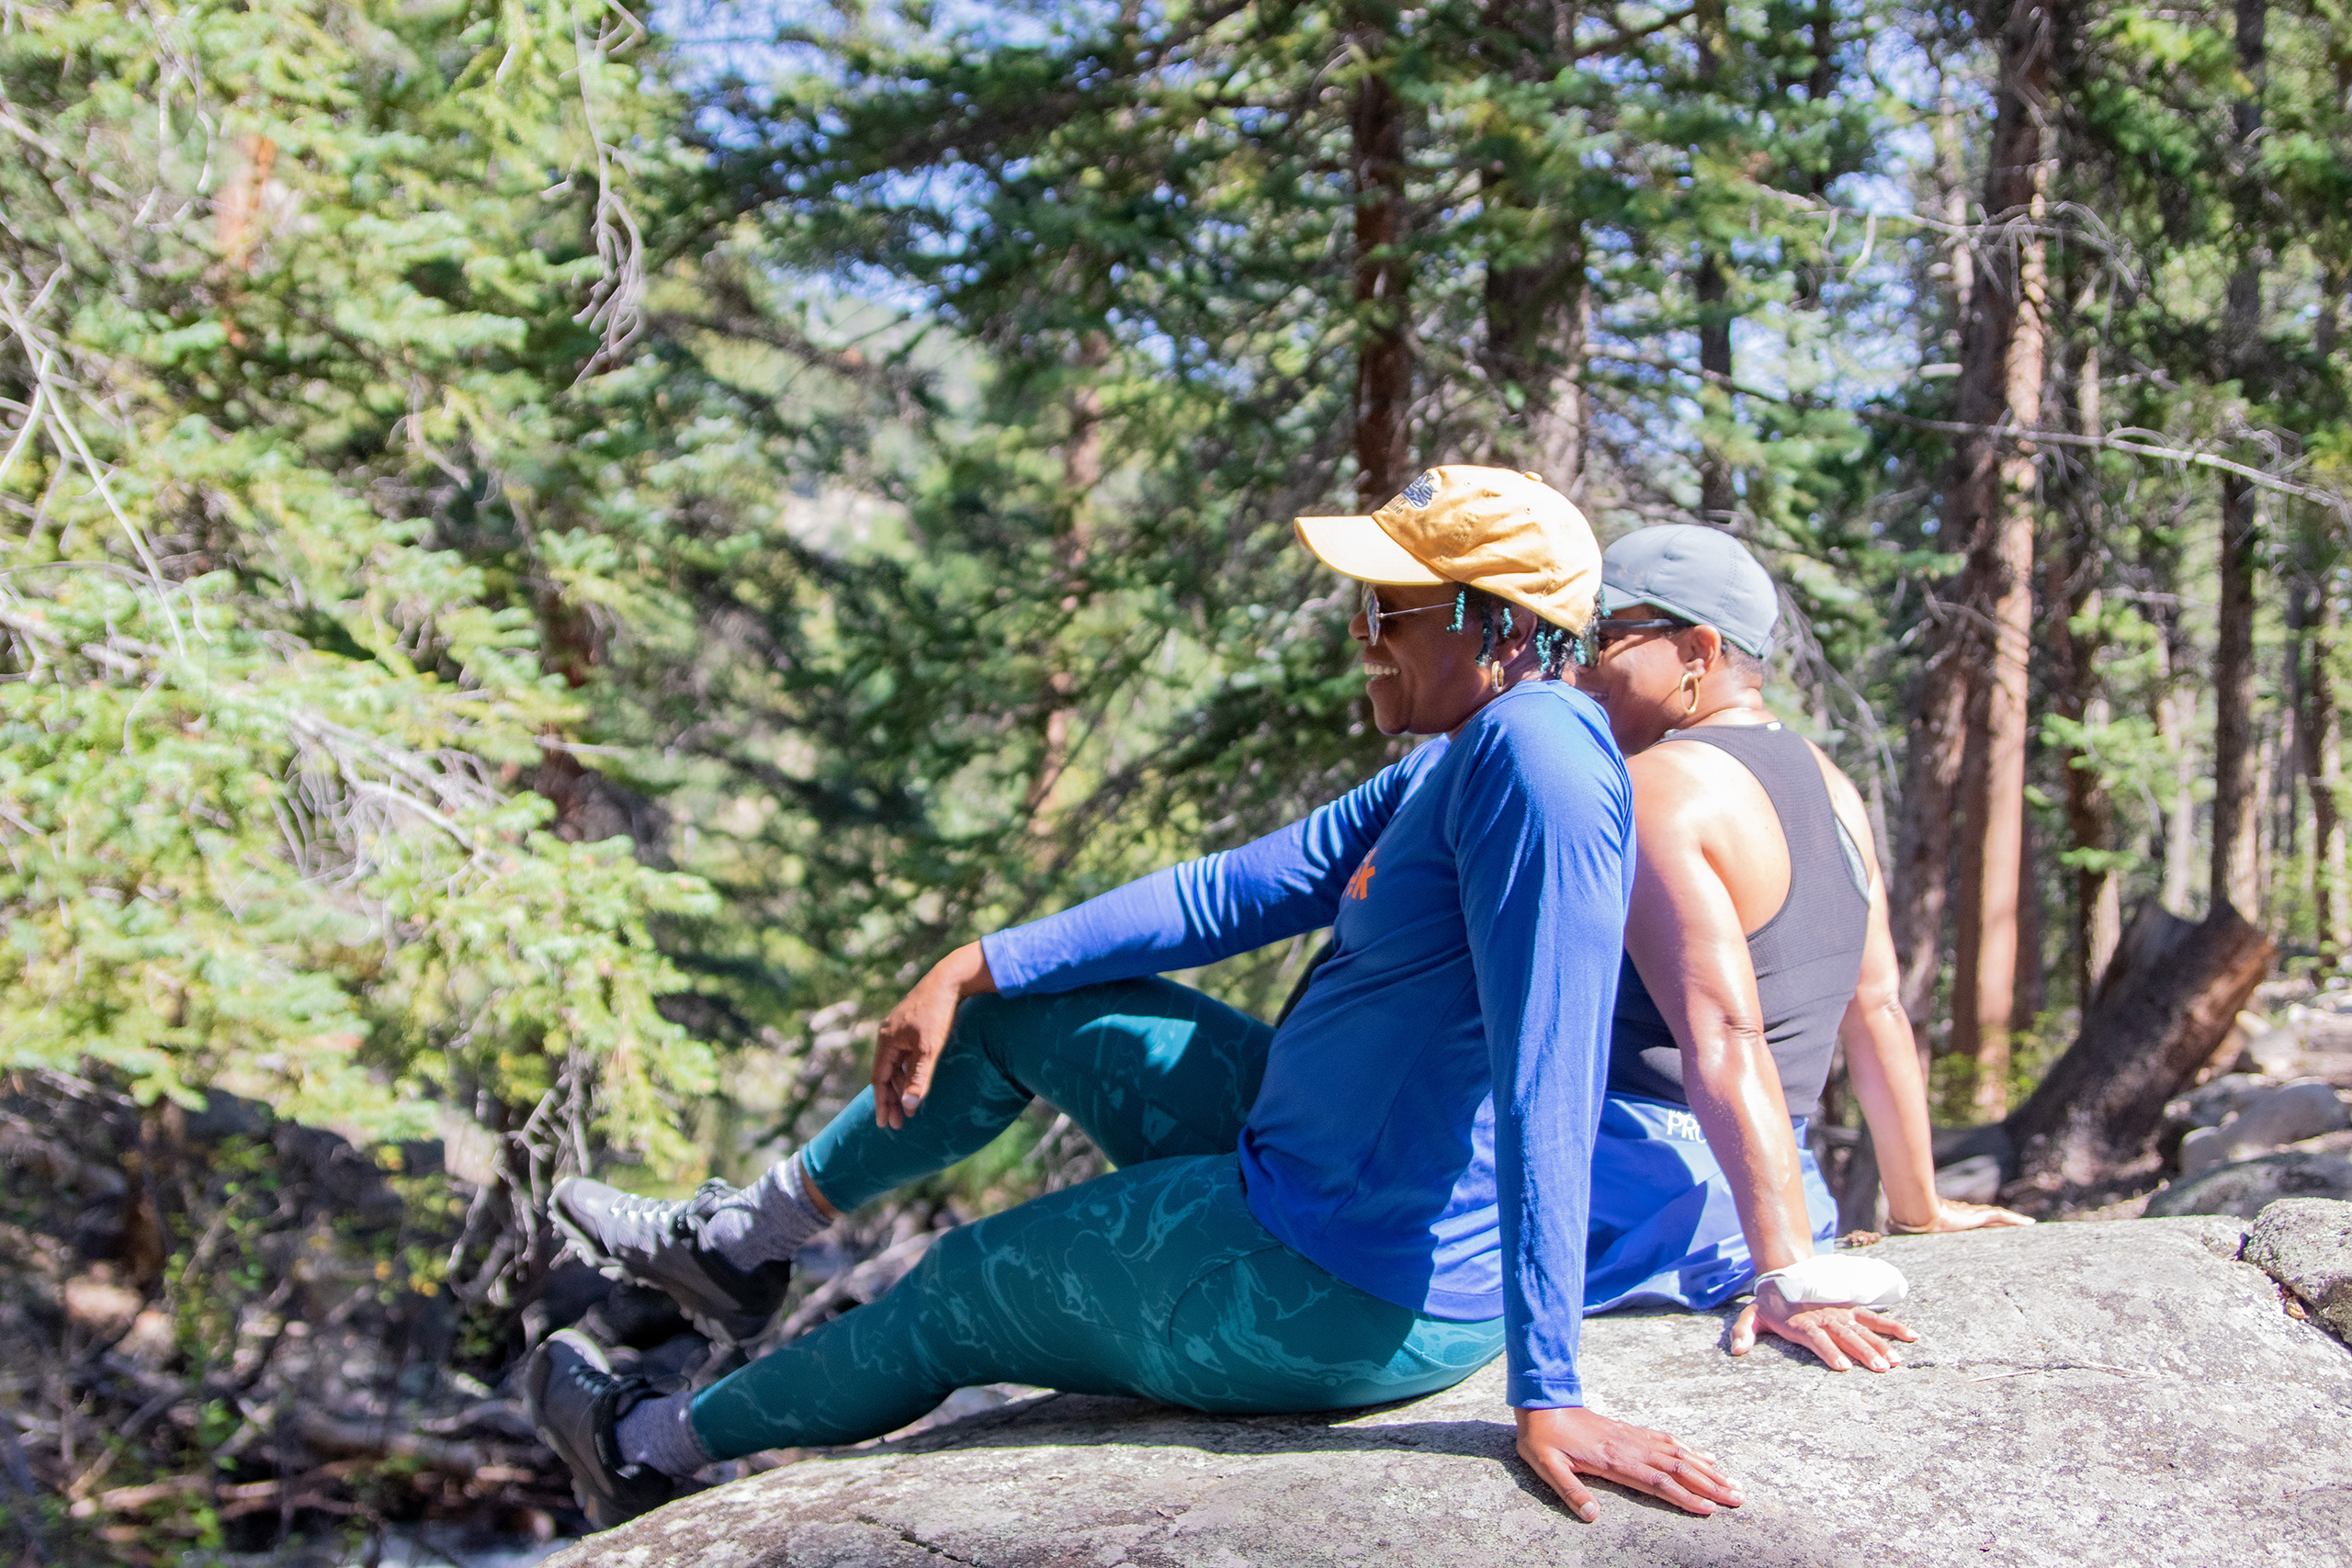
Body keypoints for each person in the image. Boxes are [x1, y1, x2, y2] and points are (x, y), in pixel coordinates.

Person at [525, 467, 1746, 1530]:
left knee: (962, 1286)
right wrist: (975, 959)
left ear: (1493, 618)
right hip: (1306, 1165)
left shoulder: (1540, 762)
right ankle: (744, 1241)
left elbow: (1552, 1061)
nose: (1362, 629)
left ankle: (643, 1446)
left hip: (1342, 1276)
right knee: (1014, 1008)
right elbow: (1234, 889)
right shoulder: (1453, 753)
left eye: (1391, 605)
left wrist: (1551, 1387)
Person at [1573, 524, 2030, 1374]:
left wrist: (1786, 1273)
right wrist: (1917, 1206)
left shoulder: (1658, 786)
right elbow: (1877, 1008)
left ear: (1698, 649)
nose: (1578, 666)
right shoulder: (1833, 783)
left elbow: (1724, 1039)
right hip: (1781, 1195)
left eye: (1602, 637)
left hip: (1638, 1208)